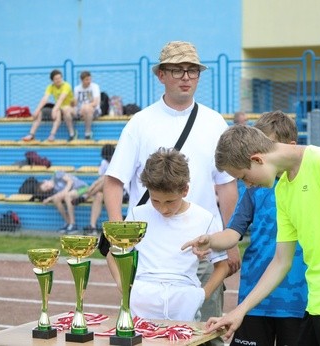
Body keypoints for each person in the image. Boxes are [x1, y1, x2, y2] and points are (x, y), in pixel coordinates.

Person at [102, 41, 240, 343]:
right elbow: (114, 182)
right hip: (149, 253)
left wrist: (230, 240)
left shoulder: (215, 122)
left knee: (208, 334)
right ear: (161, 75)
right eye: (177, 70)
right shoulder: (140, 122)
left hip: (202, 249)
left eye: (192, 70)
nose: (186, 77)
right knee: (145, 333)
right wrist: (120, 239)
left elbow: (227, 186)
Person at [201, 125, 320, 345]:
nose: (247, 184)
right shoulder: (282, 189)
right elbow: (280, 261)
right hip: (316, 304)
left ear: (257, 159)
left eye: (244, 177)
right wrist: (238, 312)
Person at [182, 110, 308, 346]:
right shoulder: (252, 188)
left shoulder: (308, 183)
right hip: (254, 297)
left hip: (299, 298)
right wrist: (210, 241)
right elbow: (233, 232)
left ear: (289, 146)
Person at [112, 147, 229, 321]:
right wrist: (123, 286)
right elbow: (113, 252)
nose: (163, 208)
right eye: (155, 200)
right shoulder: (137, 215)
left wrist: (201, 295)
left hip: (184, 302)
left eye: (170, 201)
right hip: (142, 301)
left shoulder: (204, 219)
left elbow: (222, 265)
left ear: (185, 190)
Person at [22, 69, 77, 142]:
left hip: (71, 109)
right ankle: (31, 134)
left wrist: (54, 110)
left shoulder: (66, 85)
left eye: (60, 78)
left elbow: (61, 99)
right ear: (52, 80)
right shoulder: (50, 87)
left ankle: (64, 134)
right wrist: (37, 110)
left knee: (60, 110)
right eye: (56, 79)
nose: (58, 80)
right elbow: (45, 99)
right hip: (60, 108)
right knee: (40, 112)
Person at [83, 144, 115, 235]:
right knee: (98, 195)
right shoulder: (104, 162)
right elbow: (100, 179)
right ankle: (92, 227)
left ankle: (86, 195)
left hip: (119, 191)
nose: (108, 160)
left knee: (105, 179)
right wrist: (93, 185)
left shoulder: (118, 161)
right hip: (104, 189)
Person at [73, 71, 101, 139]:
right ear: (82, 80)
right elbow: (75, 103)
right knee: (67, 110)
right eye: (87, 80)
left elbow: (95, 103)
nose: (89, 81)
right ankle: (72, 133)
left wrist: (85, 107)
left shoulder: (95, 87)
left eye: (90, 79)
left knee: (87, 109)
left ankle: (87, 133)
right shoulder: (77, 89)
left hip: (94, 110)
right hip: (80, 111)